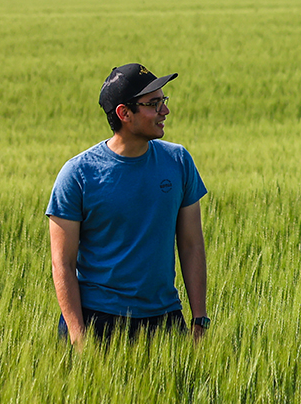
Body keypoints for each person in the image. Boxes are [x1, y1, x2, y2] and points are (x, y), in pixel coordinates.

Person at [47, 63, 209, 345]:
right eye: (153, 104)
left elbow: (192, 245)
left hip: (165, 319)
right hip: (98, 319)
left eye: (164, 101)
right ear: (124, 113)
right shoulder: (78, 175)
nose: (165, 111)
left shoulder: (179, 162)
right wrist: (78, 335)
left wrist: (199, 318)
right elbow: (62, 262)